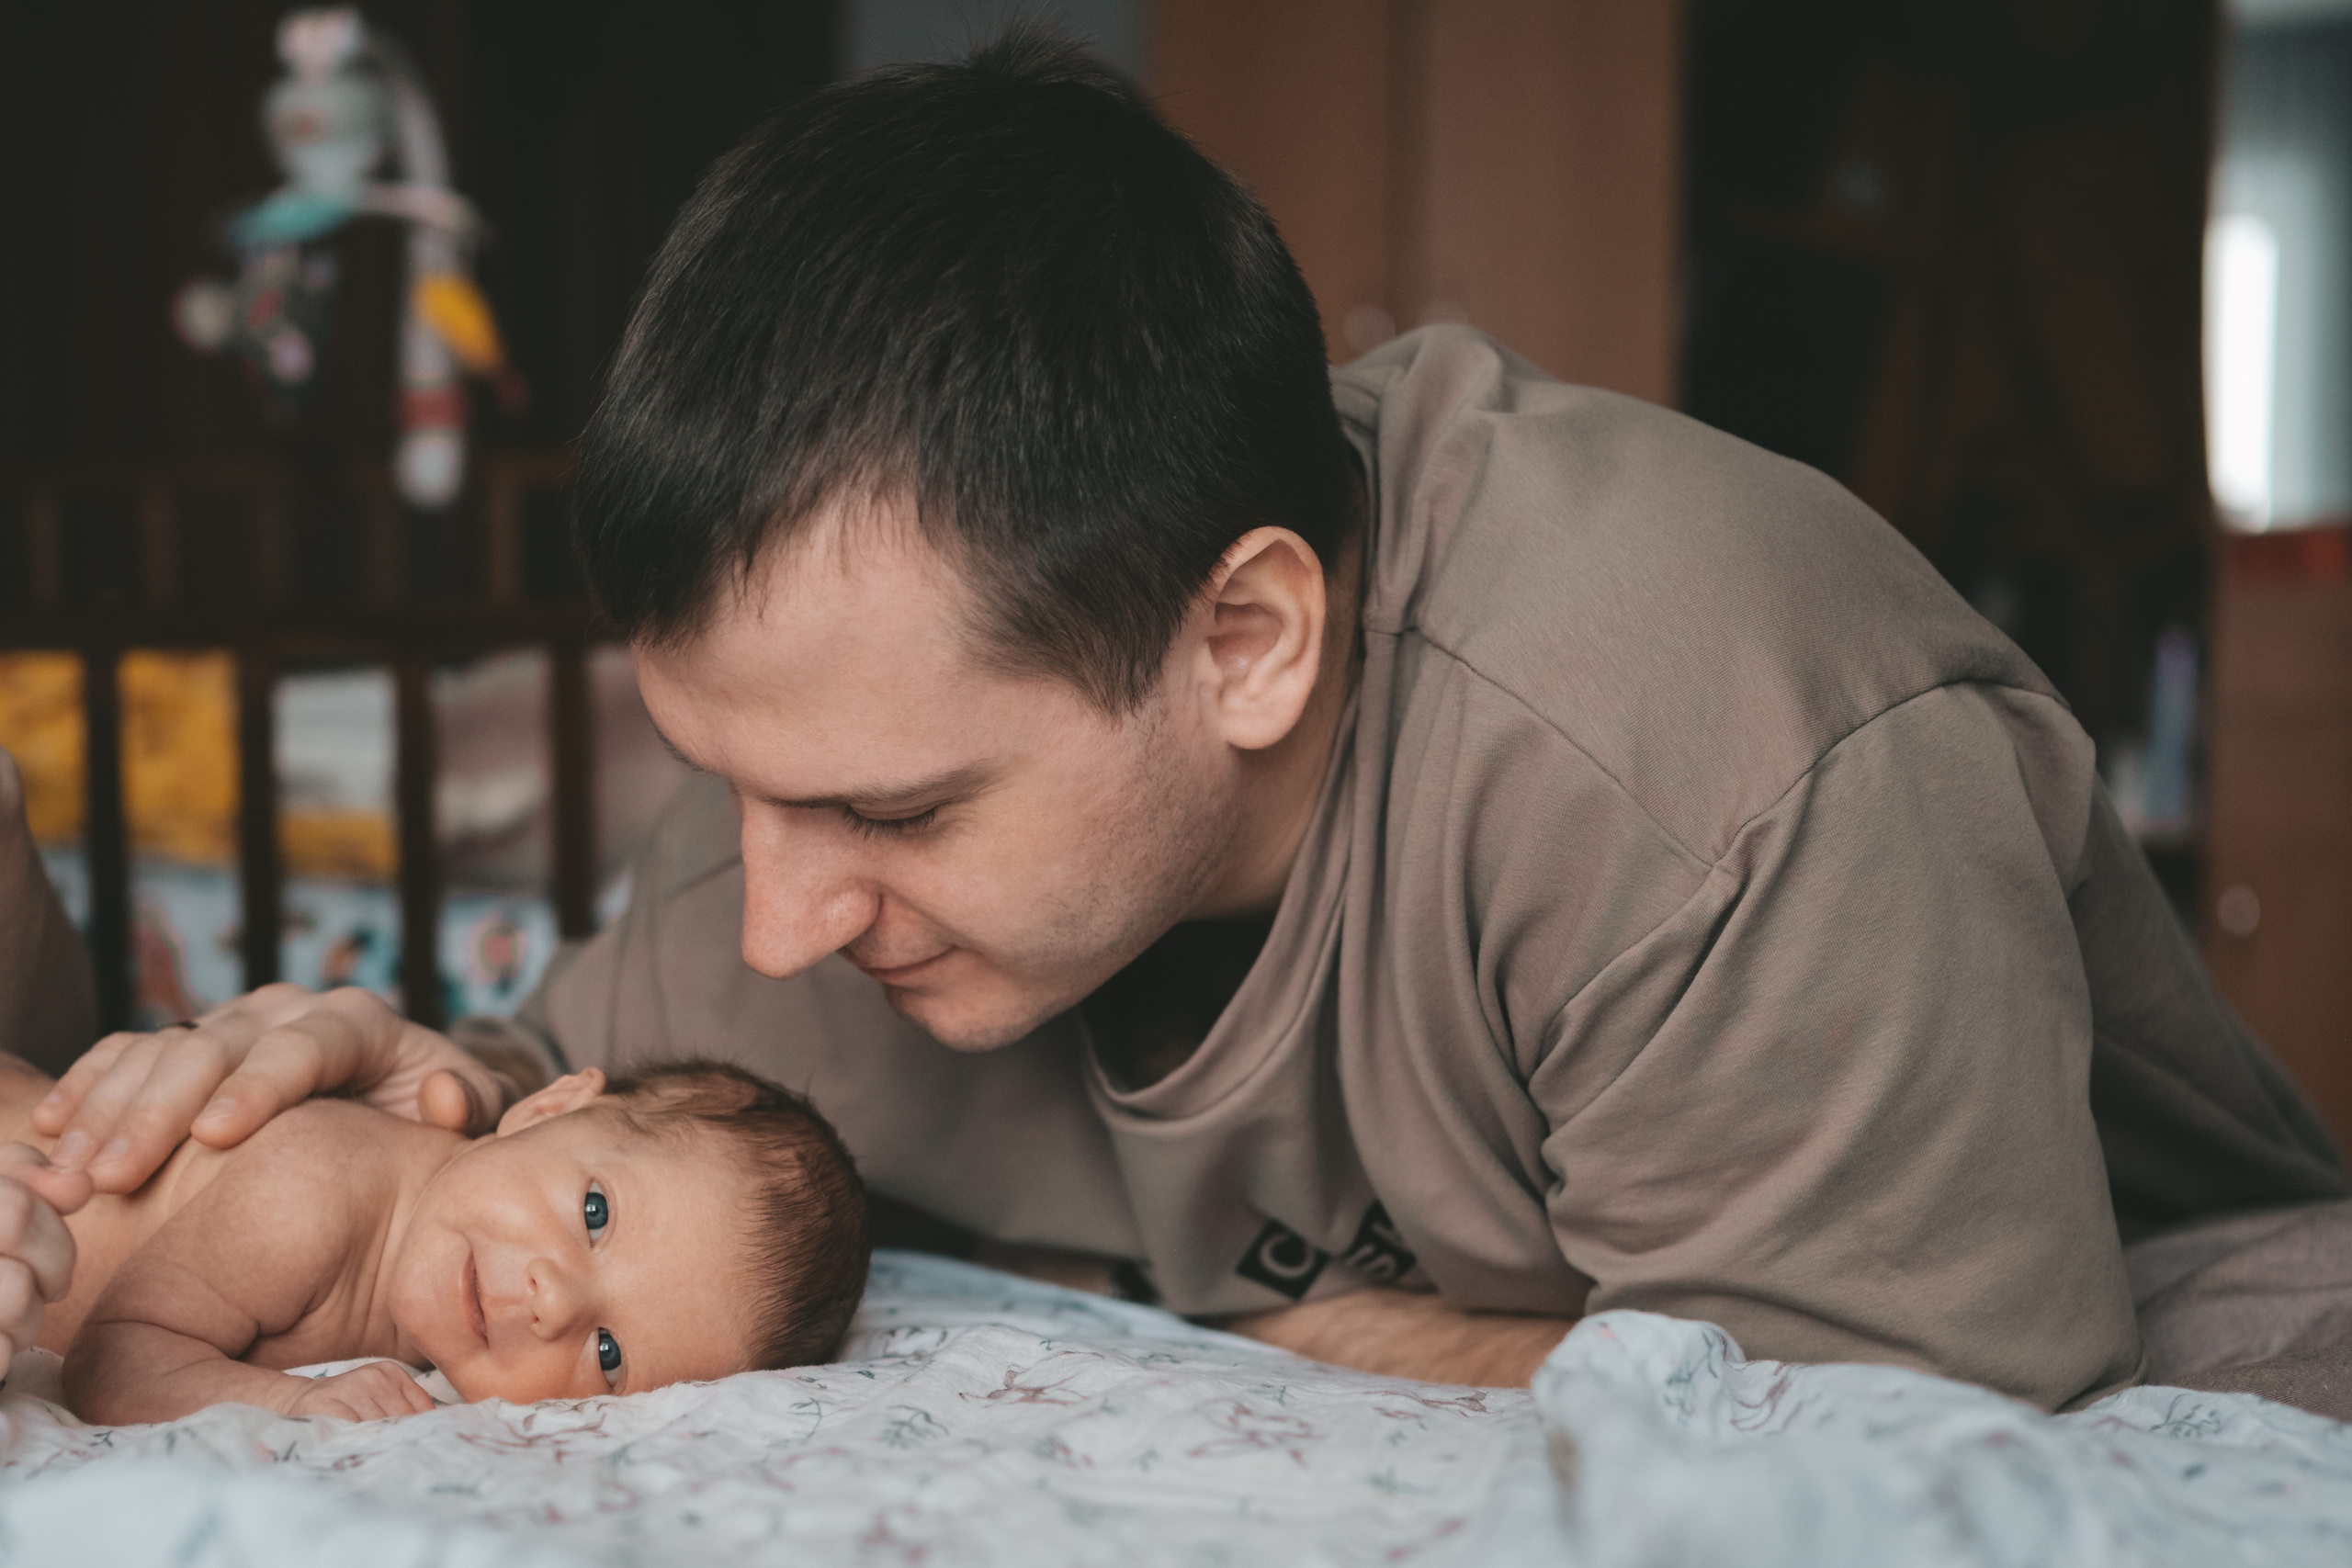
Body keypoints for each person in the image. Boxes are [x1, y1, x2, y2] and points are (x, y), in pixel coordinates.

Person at [23, 30, 2351, 1411]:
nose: (777, 911)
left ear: (1243, 639)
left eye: (888, 810)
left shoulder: (1703, 754)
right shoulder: (814, 792)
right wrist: (387, 1075)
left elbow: (1903, 1404)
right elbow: (579, 1117)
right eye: (733, 784)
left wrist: (1362, 1343)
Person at [0, 1049, 867, 1423]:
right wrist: (289, 1403)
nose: (553, 1300)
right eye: (594, 1214)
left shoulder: (425, 1325)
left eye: (608, 1355)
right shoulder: (318, 1184)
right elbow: (107, 1360)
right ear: (547, 1107)